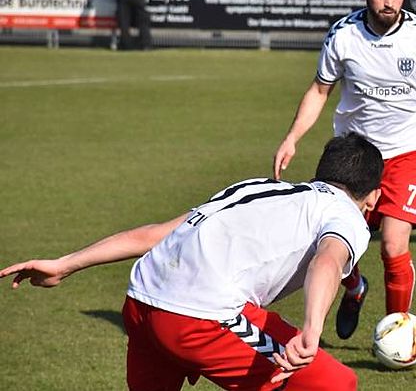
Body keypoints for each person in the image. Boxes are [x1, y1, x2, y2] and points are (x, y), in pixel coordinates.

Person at [1, 133, 383, 391]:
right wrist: (312, 329)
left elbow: (155, 235)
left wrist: (65, 264)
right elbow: (327, 262)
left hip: (141, 301)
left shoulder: (255, 187)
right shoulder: (348, 216)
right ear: (373, 196)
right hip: (199, 317)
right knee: (334, 384)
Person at [273, 0, 416, 340]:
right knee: (332, 241)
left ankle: (397, 333)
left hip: (408, 151)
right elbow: (320, 90)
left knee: (393, 246)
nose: (389, 2)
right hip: (354, 154)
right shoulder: (342, 36)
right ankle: (355, 286)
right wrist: (292, 137)